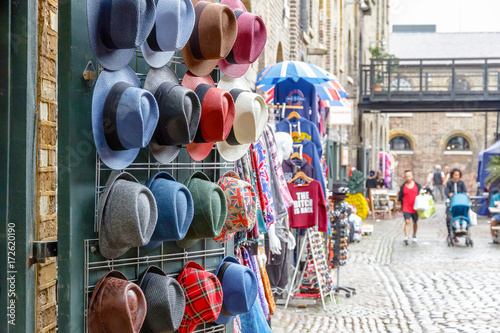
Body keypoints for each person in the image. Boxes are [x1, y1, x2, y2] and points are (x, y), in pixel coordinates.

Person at [398, 170, 422, 245]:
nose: (408, 178)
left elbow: (421, 194)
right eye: (406, 176)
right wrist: (399, 206)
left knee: (415, 221)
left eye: (409, 176)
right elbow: (400, 197)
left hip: (415, 207)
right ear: (404, 177)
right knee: (407, 221)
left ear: (412, 176)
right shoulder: (403, 186)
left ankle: (414, 235)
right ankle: (406, 236)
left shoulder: (417, 185)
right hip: (406, 206)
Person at [444, 168, 469, 241]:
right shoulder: (449, 183)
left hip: (460, 202)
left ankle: (462, 230)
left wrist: (466, 193)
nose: (457, 176)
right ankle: (450, 234)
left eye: (458, 175)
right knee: (449, 218)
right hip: (451, 203)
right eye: (455, 175)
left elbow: (465, 190)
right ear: (452, 175)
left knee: (462, 216)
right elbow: (446, 192)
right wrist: (449, 194)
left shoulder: (461, 183)